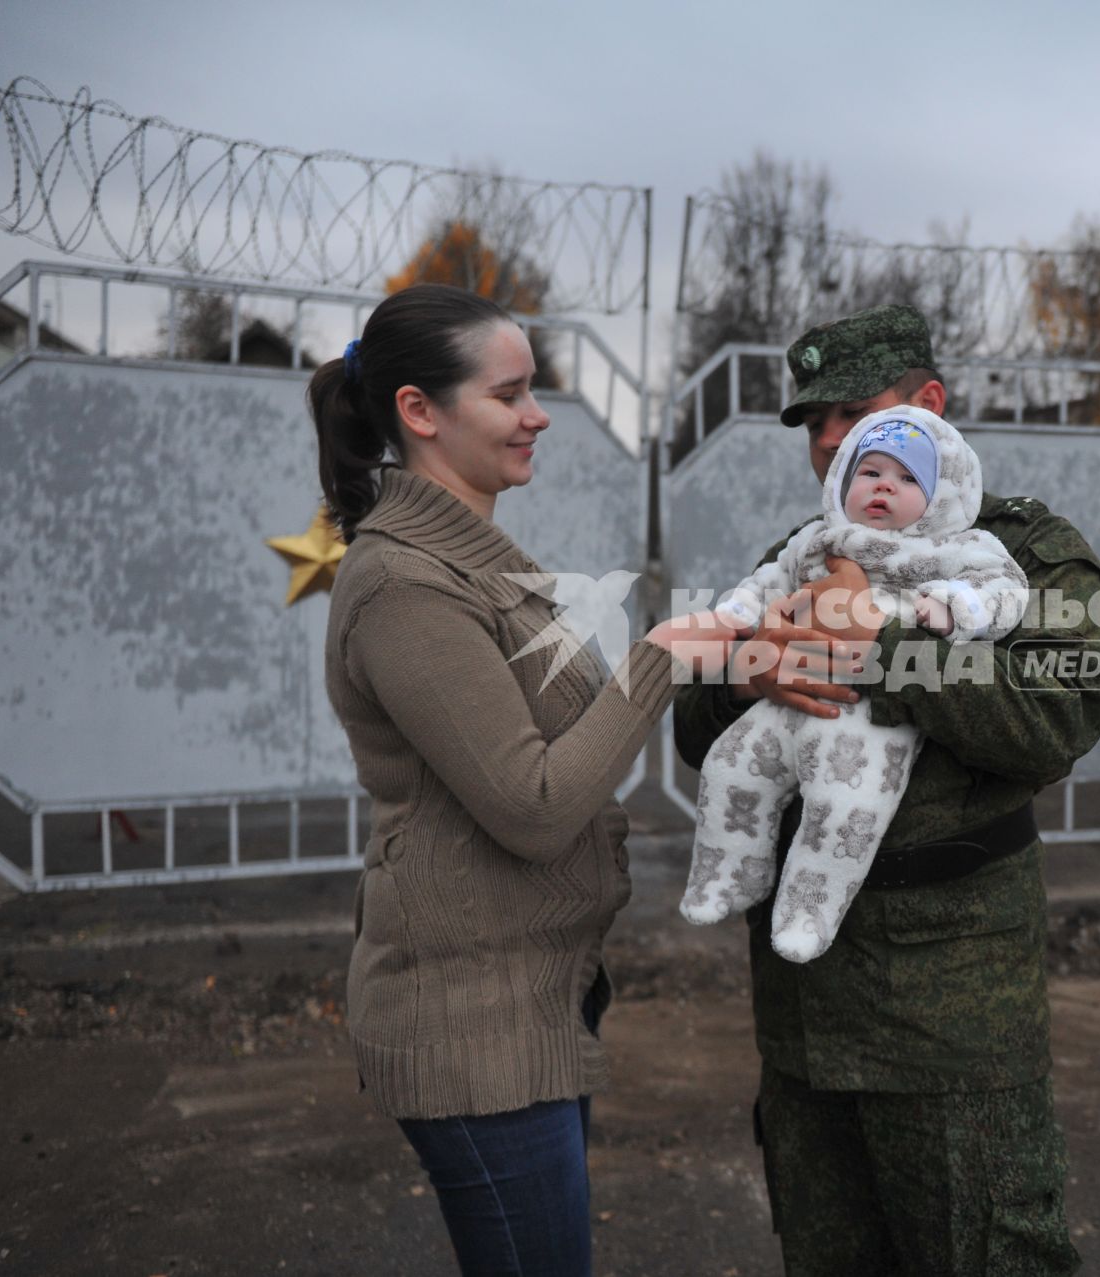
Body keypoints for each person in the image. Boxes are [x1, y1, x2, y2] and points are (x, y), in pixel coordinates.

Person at [673, 302, 1100, 1276]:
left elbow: (1061, 719)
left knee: (985, 1249)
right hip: (803, 1005)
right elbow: (694, 729)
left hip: (949, 1009)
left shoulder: (1023, 553)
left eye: (851, 413)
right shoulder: (809, 547)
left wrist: (886, 647)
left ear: (929, 406)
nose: (828, 439)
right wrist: (746, 669)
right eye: (812, 424)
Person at [312, 283, 736, 1276]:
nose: (538, 414)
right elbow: (533, 805)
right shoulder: (406, 587)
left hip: (531, 999)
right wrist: (661, 658)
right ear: (420, 410)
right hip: (472, 1031)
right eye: (510, 395)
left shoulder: (472, 564)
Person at [680, 406, 1029, 962]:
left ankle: (807, 915)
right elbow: (766, 582)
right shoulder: (817, 540)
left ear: (940, 496)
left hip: (868, 720)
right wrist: (739, 626)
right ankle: (726, 879)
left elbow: (1003, 589)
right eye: (870, 473)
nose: (884, 487)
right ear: (846, 477)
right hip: (783, 704)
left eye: (908, 478)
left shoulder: (958, 546)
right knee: (731, 767)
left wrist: (954, 610)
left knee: (844, 811)